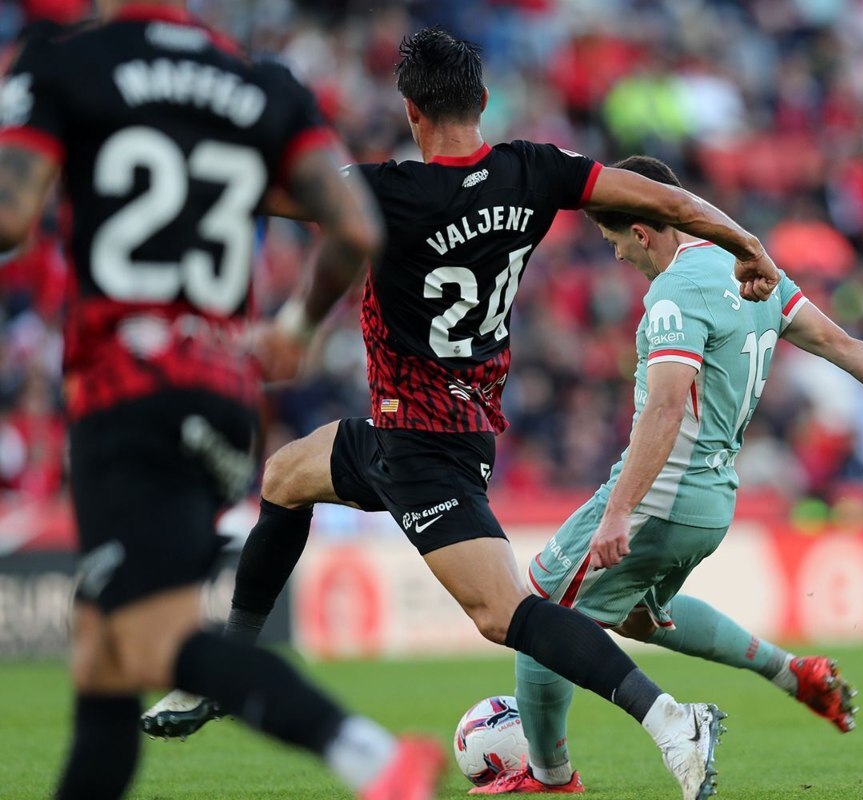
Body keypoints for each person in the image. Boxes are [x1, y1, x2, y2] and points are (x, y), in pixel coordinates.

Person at [141, 27, 780, 800]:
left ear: (411, 111)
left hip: (425, 443)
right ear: (482, 100)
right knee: (286, 475)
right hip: (424, 424)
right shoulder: (535, 170)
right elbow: (670, 201)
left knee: (502, 612)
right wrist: (747, 245)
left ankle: (671, 720)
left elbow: (270, 191)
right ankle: (230, 667)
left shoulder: (384, 190)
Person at [0, 2, 451, 799]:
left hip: (124, 391)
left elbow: (11, 212)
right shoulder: (262, 85)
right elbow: (353, 226)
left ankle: (370, 757)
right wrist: (296, 327)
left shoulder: (67, 62)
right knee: (104, 663)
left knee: (150, 638)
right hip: (221, 395)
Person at [468, 156, 863, 794]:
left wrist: (620, 510)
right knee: (640, 616)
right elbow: (843, 344)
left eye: (616, 240)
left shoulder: (677, 291)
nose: (618, 256)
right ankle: (792, 672)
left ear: (644, 231)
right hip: (711, 502)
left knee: (536, 610)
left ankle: (550, 777)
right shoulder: (752, 272)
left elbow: (667, 403)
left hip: (662, 495)